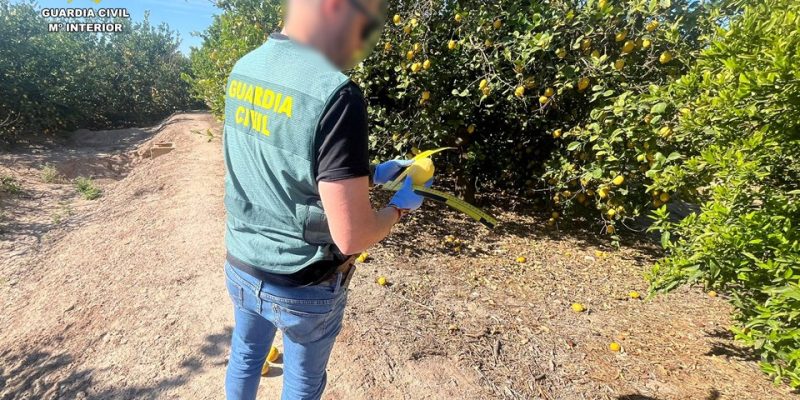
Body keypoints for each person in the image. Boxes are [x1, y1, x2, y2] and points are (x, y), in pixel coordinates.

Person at [221, 0, 431, 399]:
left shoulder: (244, 68)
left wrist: (368, 173)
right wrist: (400, 207)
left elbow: (277, 159)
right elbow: (352, 236)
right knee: (301, 381)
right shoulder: (335, 93)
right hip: (302, 281)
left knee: (245, 357)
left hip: (242, 262)